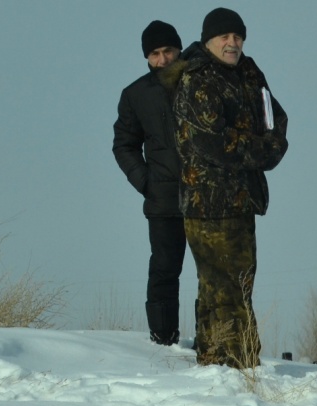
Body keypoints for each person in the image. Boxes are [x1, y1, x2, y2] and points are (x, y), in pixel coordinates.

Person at [168, 8, 288, 368]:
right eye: (225, 37)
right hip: (208, 202)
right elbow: (215, 142)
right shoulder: (198, 79)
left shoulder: (250, 74)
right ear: (209, 40)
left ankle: (221, 358)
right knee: (224, 285)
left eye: (238, 37)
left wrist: (271, 146)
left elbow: (275, 120)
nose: (232, 43)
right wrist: (262, 149)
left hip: (242, 198)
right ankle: (233, 360)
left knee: (235, 282)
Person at [112, 20, 187, 346]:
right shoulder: (135, 95)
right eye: (155, 53)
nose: (162, 59)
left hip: (209, 196)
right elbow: (123, 144)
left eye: (167, 51)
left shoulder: (202, 84)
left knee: (214, 275)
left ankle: (212, 340)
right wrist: (146, 182)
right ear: (147, 57)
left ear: (178, 50)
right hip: (163, 199)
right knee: (164, 271)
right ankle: (163, 340)